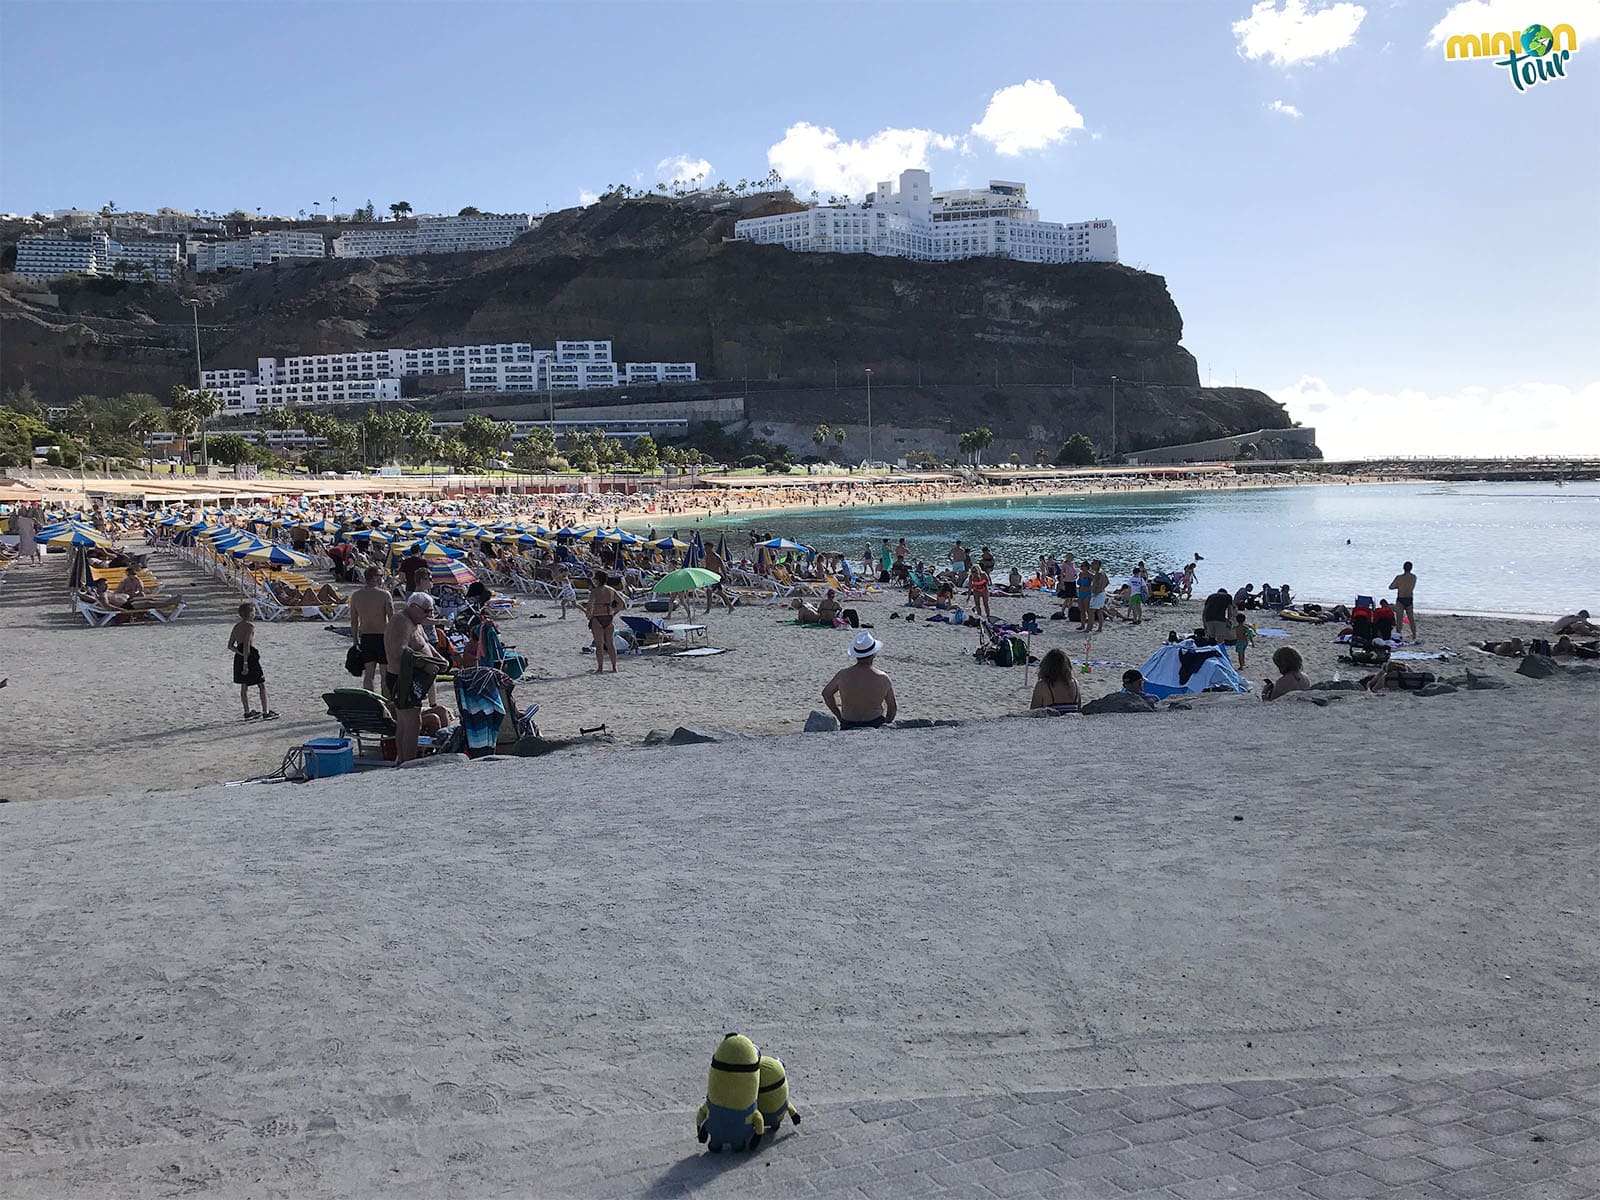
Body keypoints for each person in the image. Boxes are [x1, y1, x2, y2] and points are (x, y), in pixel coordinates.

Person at [384, 592, 449, 762]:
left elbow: (424, 644)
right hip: (403, 679)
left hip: (414, 679)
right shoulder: (401, 621)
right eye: (426, 611)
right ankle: (408, 762)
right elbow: (400, 651)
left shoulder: (416, 622)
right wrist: (426, 663)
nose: (429, 615)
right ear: (413, 607)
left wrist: (438, 658)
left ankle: (404, 760)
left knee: (407, 723)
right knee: (412, 724)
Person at [822, 632, 898, 730]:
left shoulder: (843, 675)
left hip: (848, 723)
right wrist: (886, 724)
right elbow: (892, 708)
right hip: (875, 723)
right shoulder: (882, 678)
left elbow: (826, 693)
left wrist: (839, 716)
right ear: (874, 654)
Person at [227, 601, 276, 720]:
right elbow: (247, 645)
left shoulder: (237, 626)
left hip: (239, 656)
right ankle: (266, 711)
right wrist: (245, 662)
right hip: (248, 657)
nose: (254, 614)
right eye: (253, 611)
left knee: (244, 687)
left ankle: (247, 712)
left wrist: (239, 654)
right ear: (249, 613)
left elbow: (230, 645)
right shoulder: (249, 626)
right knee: (261, 685)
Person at [349, 566, 394, 692]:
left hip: (366, 637)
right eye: (380, 575)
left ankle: (371, 703)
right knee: (385, 675)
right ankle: (386, 703)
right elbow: (392, 618)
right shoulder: (385, 595)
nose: (382, 578)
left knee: (369, 675)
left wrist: (355, 640)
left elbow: (354, 621)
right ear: (374, 578)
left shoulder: (356, 596)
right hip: (382, 637)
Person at [585, 572, 626, 674]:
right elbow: (622, 604)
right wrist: (614, 613)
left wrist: (589, 614)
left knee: (599, 644)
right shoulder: (611, 590)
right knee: (610, 644)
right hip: (608, 617)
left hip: (597, 618)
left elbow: (590, 605)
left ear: (597, 580)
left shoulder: (594, 592)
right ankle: (614, 667)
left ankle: (600, 668)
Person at [1029, 648, 1081, 712]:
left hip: (1052, 721)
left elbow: (1033, 712)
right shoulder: (1075, 683)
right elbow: (1078, 710)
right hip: (1071, 721)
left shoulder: (1043, 685)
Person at [1389, 561, 1419, 641]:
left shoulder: (1399, 577)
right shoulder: (1414, 577)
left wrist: (1398, 586)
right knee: (1411, 618)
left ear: (1403, 568)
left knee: (1399, 619)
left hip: (1401, 599)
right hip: (1409, 598)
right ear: (1411, 568)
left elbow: (1391, 587)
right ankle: (1414, 635)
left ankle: (1398, 634)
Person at [1088, 561, 1110, 633]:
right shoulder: (1101, 572)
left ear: (1098, 565)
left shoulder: (1099, 574)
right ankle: (1099, 628)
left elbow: (1099, 584)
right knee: (1099, 611)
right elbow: (1107, 582)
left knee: (1091, 611)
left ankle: (1090, 628)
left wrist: (1096, 592)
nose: (1092, 565)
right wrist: (1102, 589)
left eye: (1094, 564)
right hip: (1102, 593)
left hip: (1097, 594)